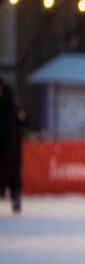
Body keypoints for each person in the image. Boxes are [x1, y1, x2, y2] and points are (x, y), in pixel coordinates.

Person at [0, 80, 26, 215]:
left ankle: (15, 199)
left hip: (11, 150)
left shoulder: (12, 110)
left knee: (13, 175)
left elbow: (23, 122)